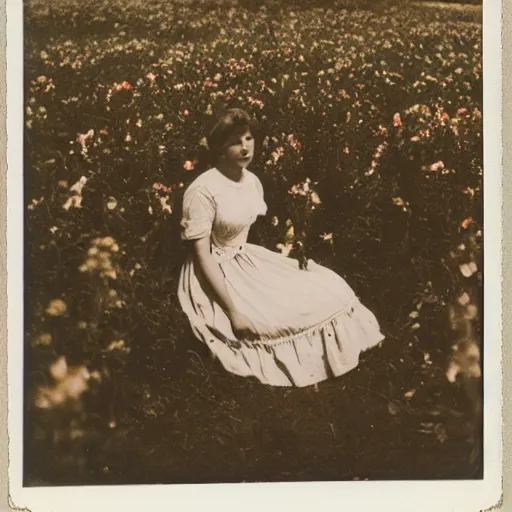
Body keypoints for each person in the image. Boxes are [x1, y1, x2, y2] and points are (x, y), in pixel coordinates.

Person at [178, 108, 384, 387]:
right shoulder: (202, 191)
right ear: (219, 148)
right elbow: (203, 255)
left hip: (246, 259)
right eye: (235, 142)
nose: (245, 148)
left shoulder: (251, 181)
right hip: (213, 272)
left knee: (330, 288)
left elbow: (244, 232)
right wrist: (233, 311)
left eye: (249, 138)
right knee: (271, 319)